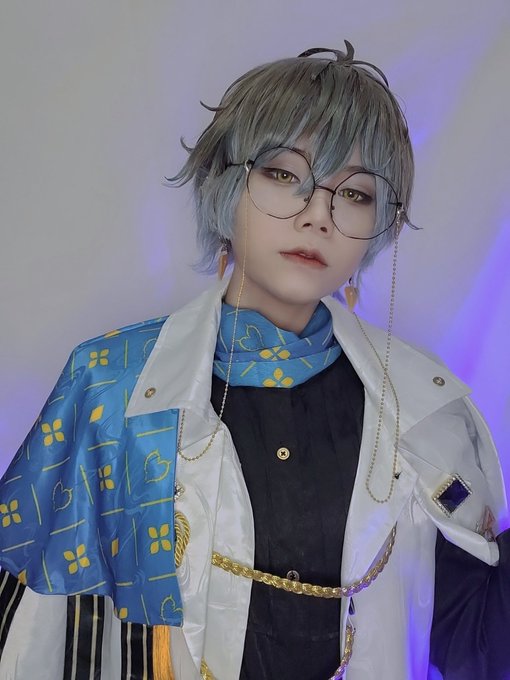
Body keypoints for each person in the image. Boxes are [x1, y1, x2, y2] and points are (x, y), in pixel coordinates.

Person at [0, 41, 508, 680]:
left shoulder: (426, 412)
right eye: (284, 175)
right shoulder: (114, 386)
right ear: (224, 185)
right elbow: (32, 637)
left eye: (355, 193)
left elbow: (472, 645)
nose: (317, 216)